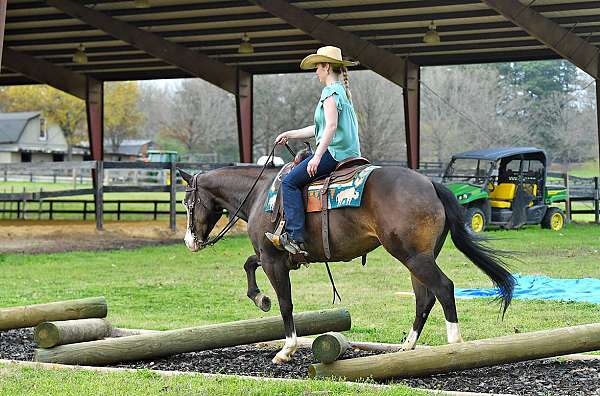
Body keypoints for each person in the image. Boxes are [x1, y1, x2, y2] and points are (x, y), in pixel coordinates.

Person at [269, 46, 361, 254]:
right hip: (350, 154)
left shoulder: (329, 92)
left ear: (327, 67)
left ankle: (295, 237)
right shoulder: (343, 92)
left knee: (290, 182)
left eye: (318, 67)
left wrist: (317, 157)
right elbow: (319, 128)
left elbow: (331, 127)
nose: (316, 72)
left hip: (335, 153)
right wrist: (290, 134)